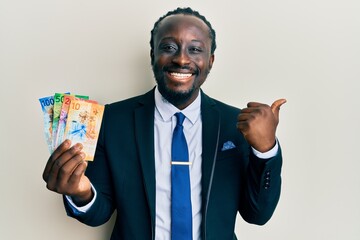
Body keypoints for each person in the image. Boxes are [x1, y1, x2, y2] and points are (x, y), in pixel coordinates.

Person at [43, 7, 286, 240]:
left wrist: (265, 151)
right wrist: (81, 192)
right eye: (169, 47)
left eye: (195, 49)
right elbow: (100, 213)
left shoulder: (237, 124)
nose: (181, 59)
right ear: (153, 55)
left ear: (210, 61)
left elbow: (257, 215)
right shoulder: (112, 120)